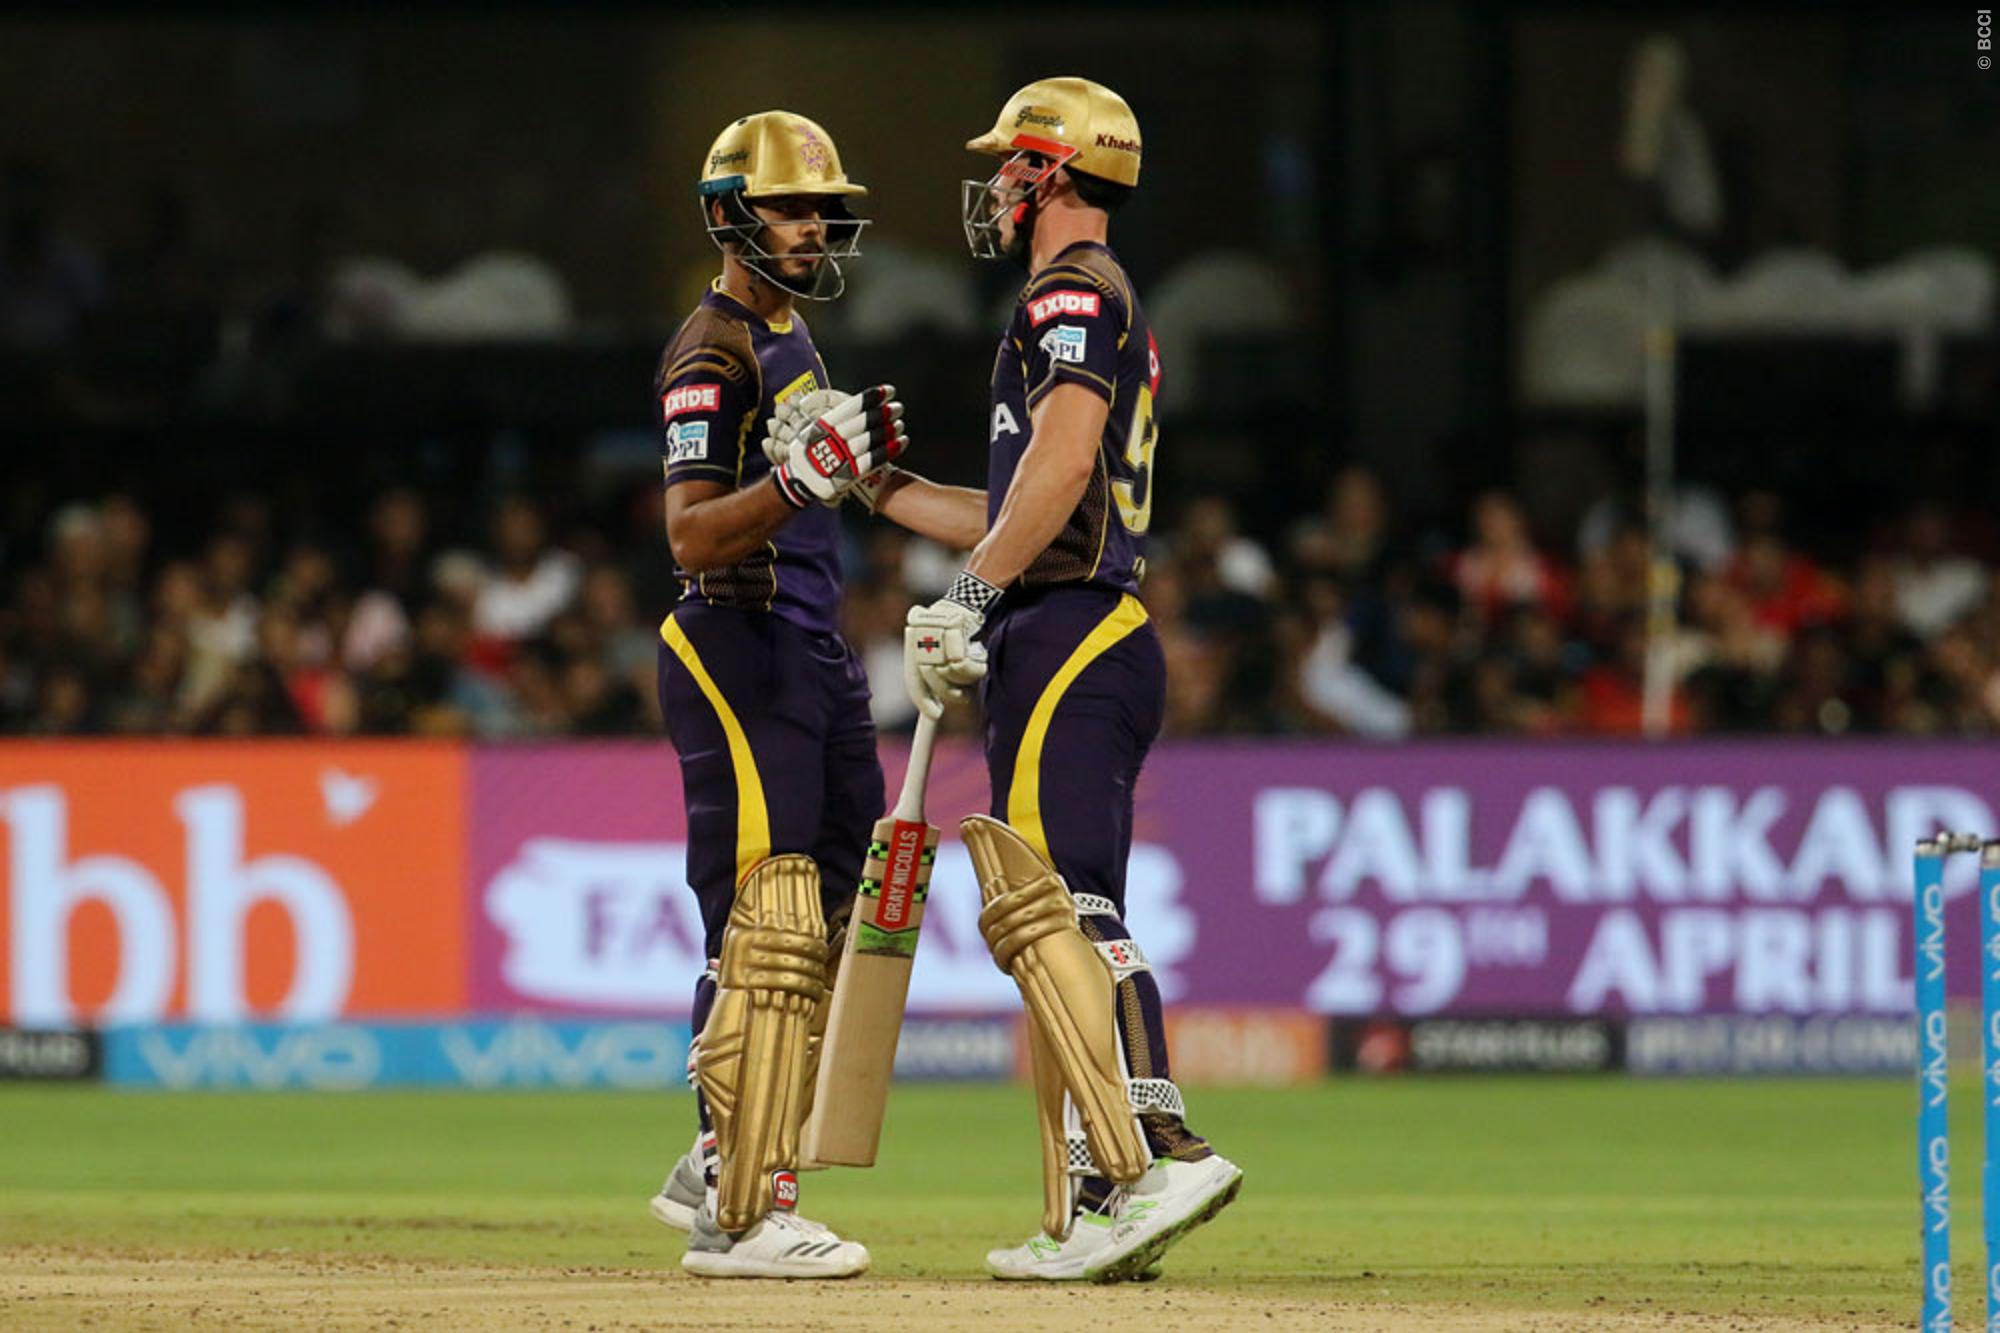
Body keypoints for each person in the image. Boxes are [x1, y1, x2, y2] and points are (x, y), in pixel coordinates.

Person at [854, 76, 1243, 1283]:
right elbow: (1020, 499)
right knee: (1065, 911)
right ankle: (1099, 1193)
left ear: (1050, 168)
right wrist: (874, 486)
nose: (996, 185)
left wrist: (971, 595)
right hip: (1083, 621)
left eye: (1009, 163)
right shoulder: (1096, 294)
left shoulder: (1068, 289)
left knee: (1057, 911)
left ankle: (1156, 1151)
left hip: (1065, 627)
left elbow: (1064, 465)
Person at [644, 109, 907, 1280]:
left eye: (820, 210)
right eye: (789, 207)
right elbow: (690, 533)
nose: (811, 228)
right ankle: (742, 1203)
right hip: (738, 641)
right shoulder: (712, 350)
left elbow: (814, 493)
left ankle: (718, 1153)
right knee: (767, 917)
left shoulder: (788, 331)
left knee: (836, 907)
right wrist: (799, 481)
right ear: (726, 216)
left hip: (808, 647)